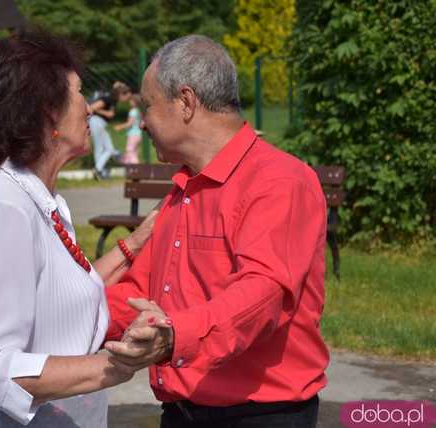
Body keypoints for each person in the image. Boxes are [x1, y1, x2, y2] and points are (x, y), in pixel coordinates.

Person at [0, 30, 158, 428]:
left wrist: (136, 243)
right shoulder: (3, 211)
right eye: (79, 93)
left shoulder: (32, 198)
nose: (88, 108)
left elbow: (54, 292)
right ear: (47, 113)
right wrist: (115, 366)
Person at [103, 35, 330, 427]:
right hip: (183, 412)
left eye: (148, 105)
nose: (141, 120)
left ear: (186, 102)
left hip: (260, 416)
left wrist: (175, 335)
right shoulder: (184, 189)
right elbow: (138, 292)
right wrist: (66, 315)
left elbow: (261, 295)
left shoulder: (278, 181)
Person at [88, 81, 131, 179]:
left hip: (99, 123)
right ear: (120, 94)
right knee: (107, 149)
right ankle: (98, 170)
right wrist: (107, 113)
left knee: (102, 148)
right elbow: (92, 107)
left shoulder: (113, 99)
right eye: (126, 96)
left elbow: (116, 84)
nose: (127, 99)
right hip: (96, 122)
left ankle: (99, 171)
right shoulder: (108, 98)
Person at [113, 93, 143, 164]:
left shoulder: (132, 112)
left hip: (133, 134)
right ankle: (134, 168)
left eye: (131, 101)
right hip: (139, 134)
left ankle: (136, 168)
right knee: (135, 152)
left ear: (134, 102)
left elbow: (130, 123)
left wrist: (120, 127)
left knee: (130, 151)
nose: (129, 102)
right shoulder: (139, 111)